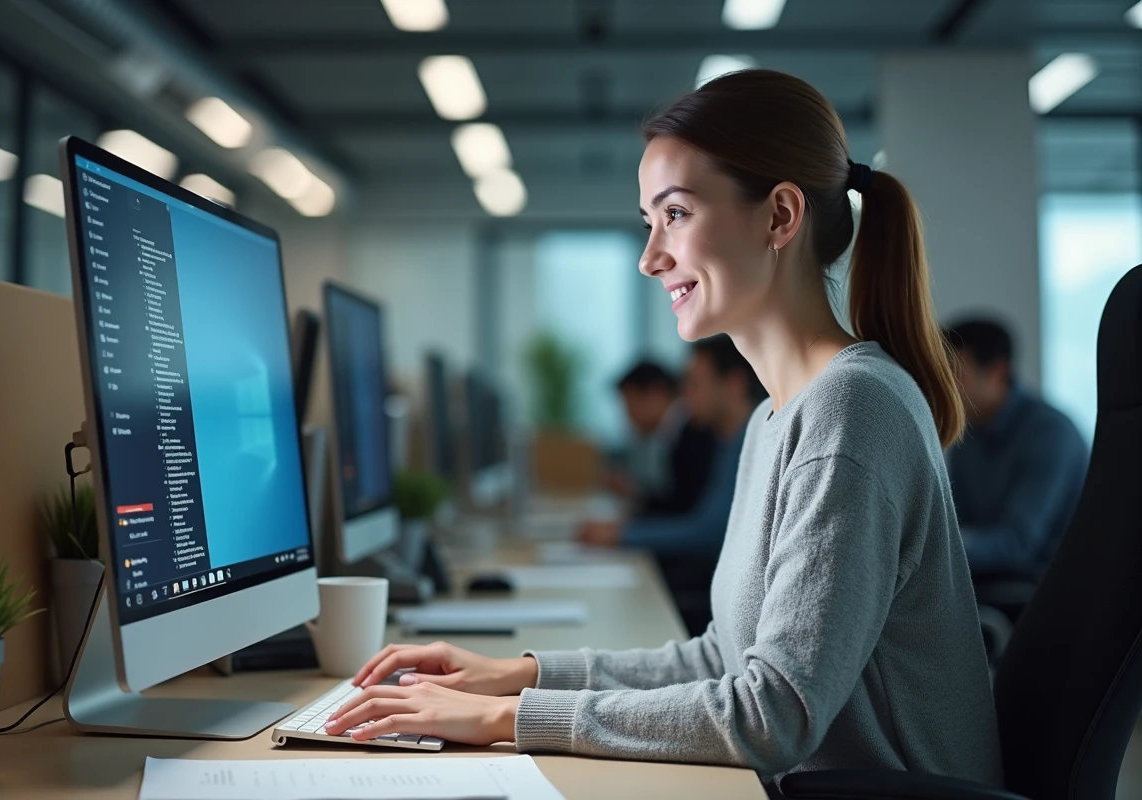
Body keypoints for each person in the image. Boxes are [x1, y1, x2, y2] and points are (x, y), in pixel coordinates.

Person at [323, 69, 1002, 790]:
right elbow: (723, 659)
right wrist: (511, 675)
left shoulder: (851, 409)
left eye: (674, 215)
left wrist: (507, 718)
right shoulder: (776, 417)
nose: (651, 258)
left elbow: (774, 715)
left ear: (779, 216)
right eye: (650, 222)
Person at [581, 335, 766, 636]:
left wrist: (624, 534)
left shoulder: (750, 441)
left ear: (733, 383)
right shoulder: (725, 442)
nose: (684, 395)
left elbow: (708, 532)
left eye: (694, 383)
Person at [945, 319, 1088, 582]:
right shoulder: (968, 433)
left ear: (997, 372)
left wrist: (936, 549)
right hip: (988, 585)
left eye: (954, 373)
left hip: (1047, 592)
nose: (943, 387)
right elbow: (955, 524)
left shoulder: (1050, 434)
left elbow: (1019, 544)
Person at [606, 359, 718, 517]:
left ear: (656, 393)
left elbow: (685, 508)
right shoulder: (666, 435)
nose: (628, 415)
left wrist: (635, 495)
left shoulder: (694, 432)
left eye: (629, 404)